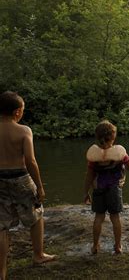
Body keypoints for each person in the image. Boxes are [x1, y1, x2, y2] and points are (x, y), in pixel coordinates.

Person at [0, 91, 56, 279]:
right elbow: (30, 161)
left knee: (2, 225)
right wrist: (39, 186)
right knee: (37, 214)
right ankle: (38, 255)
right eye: (23, 110)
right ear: (17, 112)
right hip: (21, 177)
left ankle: (2, 272)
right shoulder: (24, 131)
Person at [84, 120, 129, 255]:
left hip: (98, 189)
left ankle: (95, 246)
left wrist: (85, 192)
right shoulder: (120, 153)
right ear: (113, 137)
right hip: (114, 189)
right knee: (115, 218)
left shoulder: (93, 156)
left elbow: (89, 176)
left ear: (97, 136)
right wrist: (124, 162)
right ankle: (118, 246)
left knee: (98, 218)